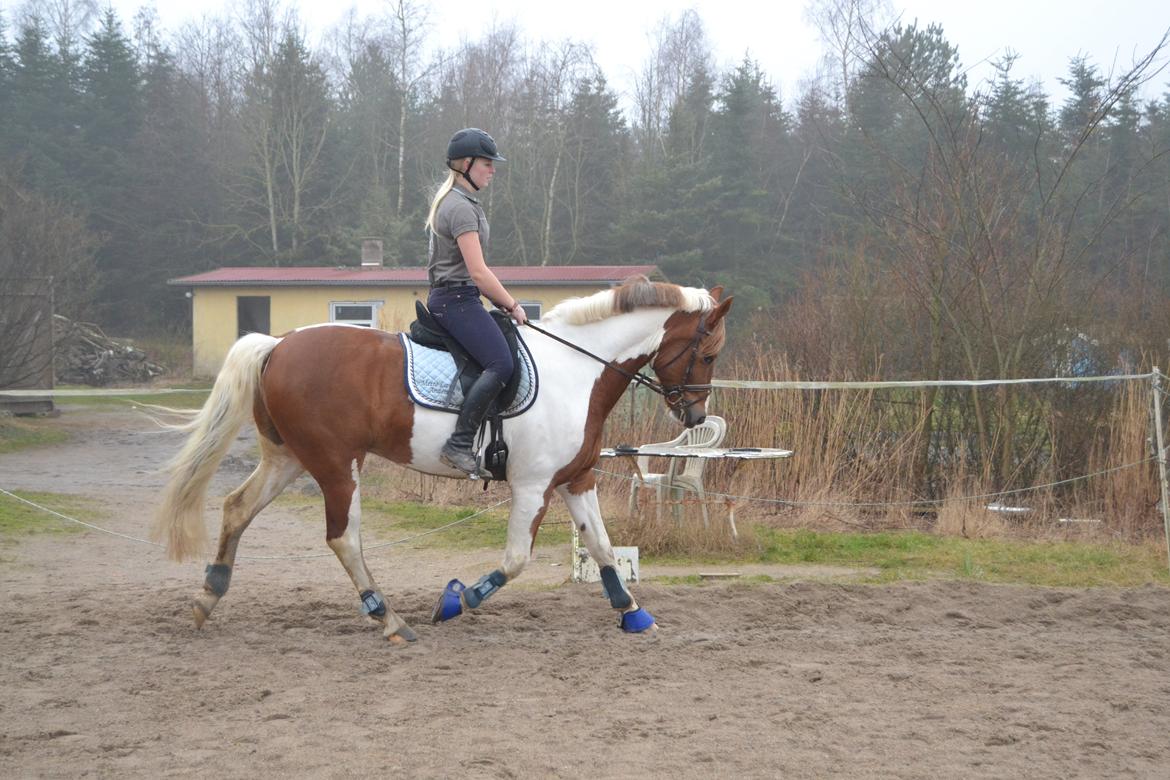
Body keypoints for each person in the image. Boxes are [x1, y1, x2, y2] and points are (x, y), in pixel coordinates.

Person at [425, 127, 528, 477]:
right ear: (466, 164)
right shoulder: (460, 208)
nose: (492, 170)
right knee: (501, 363)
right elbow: (479, 274)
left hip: (460, 297)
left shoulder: (462, 203)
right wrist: (512, 305)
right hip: (456, 300)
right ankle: (459, 443)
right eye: (487, 163)